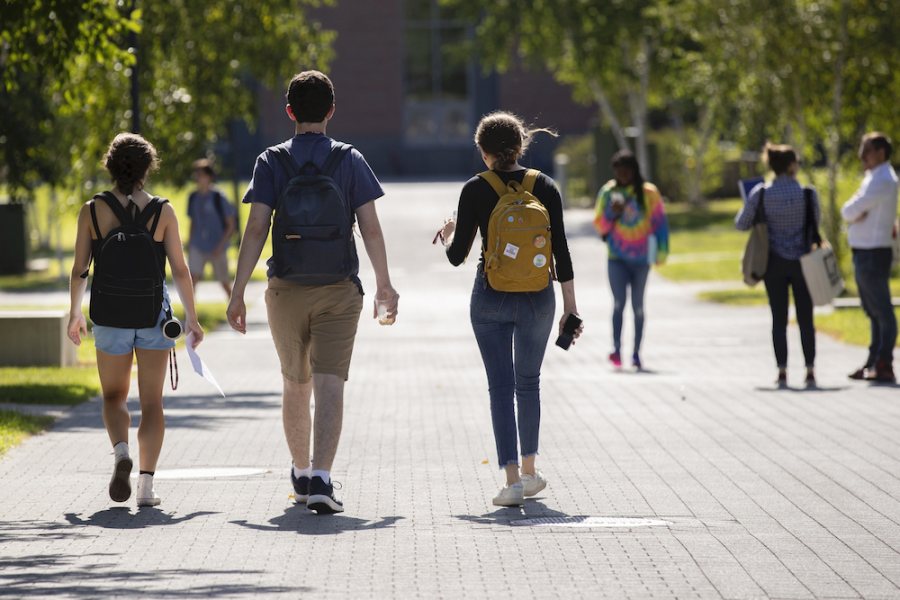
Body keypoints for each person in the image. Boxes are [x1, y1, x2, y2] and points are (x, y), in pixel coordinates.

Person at [226, 70, 399, 514]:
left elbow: (255, 229)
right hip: (339, 289)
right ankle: (322, 478)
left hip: (285, 289)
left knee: (294, 384)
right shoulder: (350, 160)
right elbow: (372, 229)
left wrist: (238, 290)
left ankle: (301, 473)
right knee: (330, 385)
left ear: (289, 112)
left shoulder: (270, 161)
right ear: (331, 110)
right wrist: (384, 284)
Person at [437, 111, 581, 507]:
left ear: (484, 152)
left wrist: (450, 232)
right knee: (529, 383)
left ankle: (512, 480)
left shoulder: (475, 189)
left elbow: (456, 258)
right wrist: (569, 308)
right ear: (521, 146)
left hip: (490, 295)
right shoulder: (545, 185)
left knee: (500, 388)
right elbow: (562, 252)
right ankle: (532, 471)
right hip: (539, 297)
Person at [67, 133, 204, 507]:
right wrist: (192, 318)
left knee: (113, 396)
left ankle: (122, 451)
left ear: (110, 166)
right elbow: (179, 269)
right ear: (148, 168)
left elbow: (80, 269)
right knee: (152, 403)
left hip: (109, 317)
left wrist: (74, 313)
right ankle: (145, 487)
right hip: (153, 319)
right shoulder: (164, 211)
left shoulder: (92, 211)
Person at [735, 143, 819, 388]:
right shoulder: (807, 193)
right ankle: (810, 369)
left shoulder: (761, 193)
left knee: (778, 318)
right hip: (803, 262)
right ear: (792, 165)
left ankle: (782, 370)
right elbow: (816, 223)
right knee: (806, 317)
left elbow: (741, 224)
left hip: (773, 263)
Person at [594, 150, 669, 370]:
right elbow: (600, 225)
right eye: (619, 172)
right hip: (616, 258)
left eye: (627, 171)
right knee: (618, 304)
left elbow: (660, 223)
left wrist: (661, 252)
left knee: (638, 307)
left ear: (634, 171)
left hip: (642, 259)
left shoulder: (649, 193)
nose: (623, 175)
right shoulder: (609, 192)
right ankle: (616, 349)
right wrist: (611, 213)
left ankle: (636, 353)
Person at [841, 132, 899, 383]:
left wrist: (854, 213)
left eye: (867, 151)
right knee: (873, 311)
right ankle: (874, 360)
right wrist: (854, 213)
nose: (861, 156)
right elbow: (852, 210)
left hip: (873, 252)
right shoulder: (873, 178)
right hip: (865, 250)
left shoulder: (883, 180)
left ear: (881, 153)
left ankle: (884, 362)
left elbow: (849, 209)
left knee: (882, 311)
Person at [187, 158, 237, 297]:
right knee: (192, 281)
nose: (198, 178)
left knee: (224, 282)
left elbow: (231, 224)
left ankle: (235, 310)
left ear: (209, 177)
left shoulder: (218, 197)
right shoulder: (193, 197)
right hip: (198, 244)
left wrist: (221, 246)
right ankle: (190, 316)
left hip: (217, 246)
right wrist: (190, 243)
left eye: (201, 175)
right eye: (197, 175)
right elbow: (193, 222)